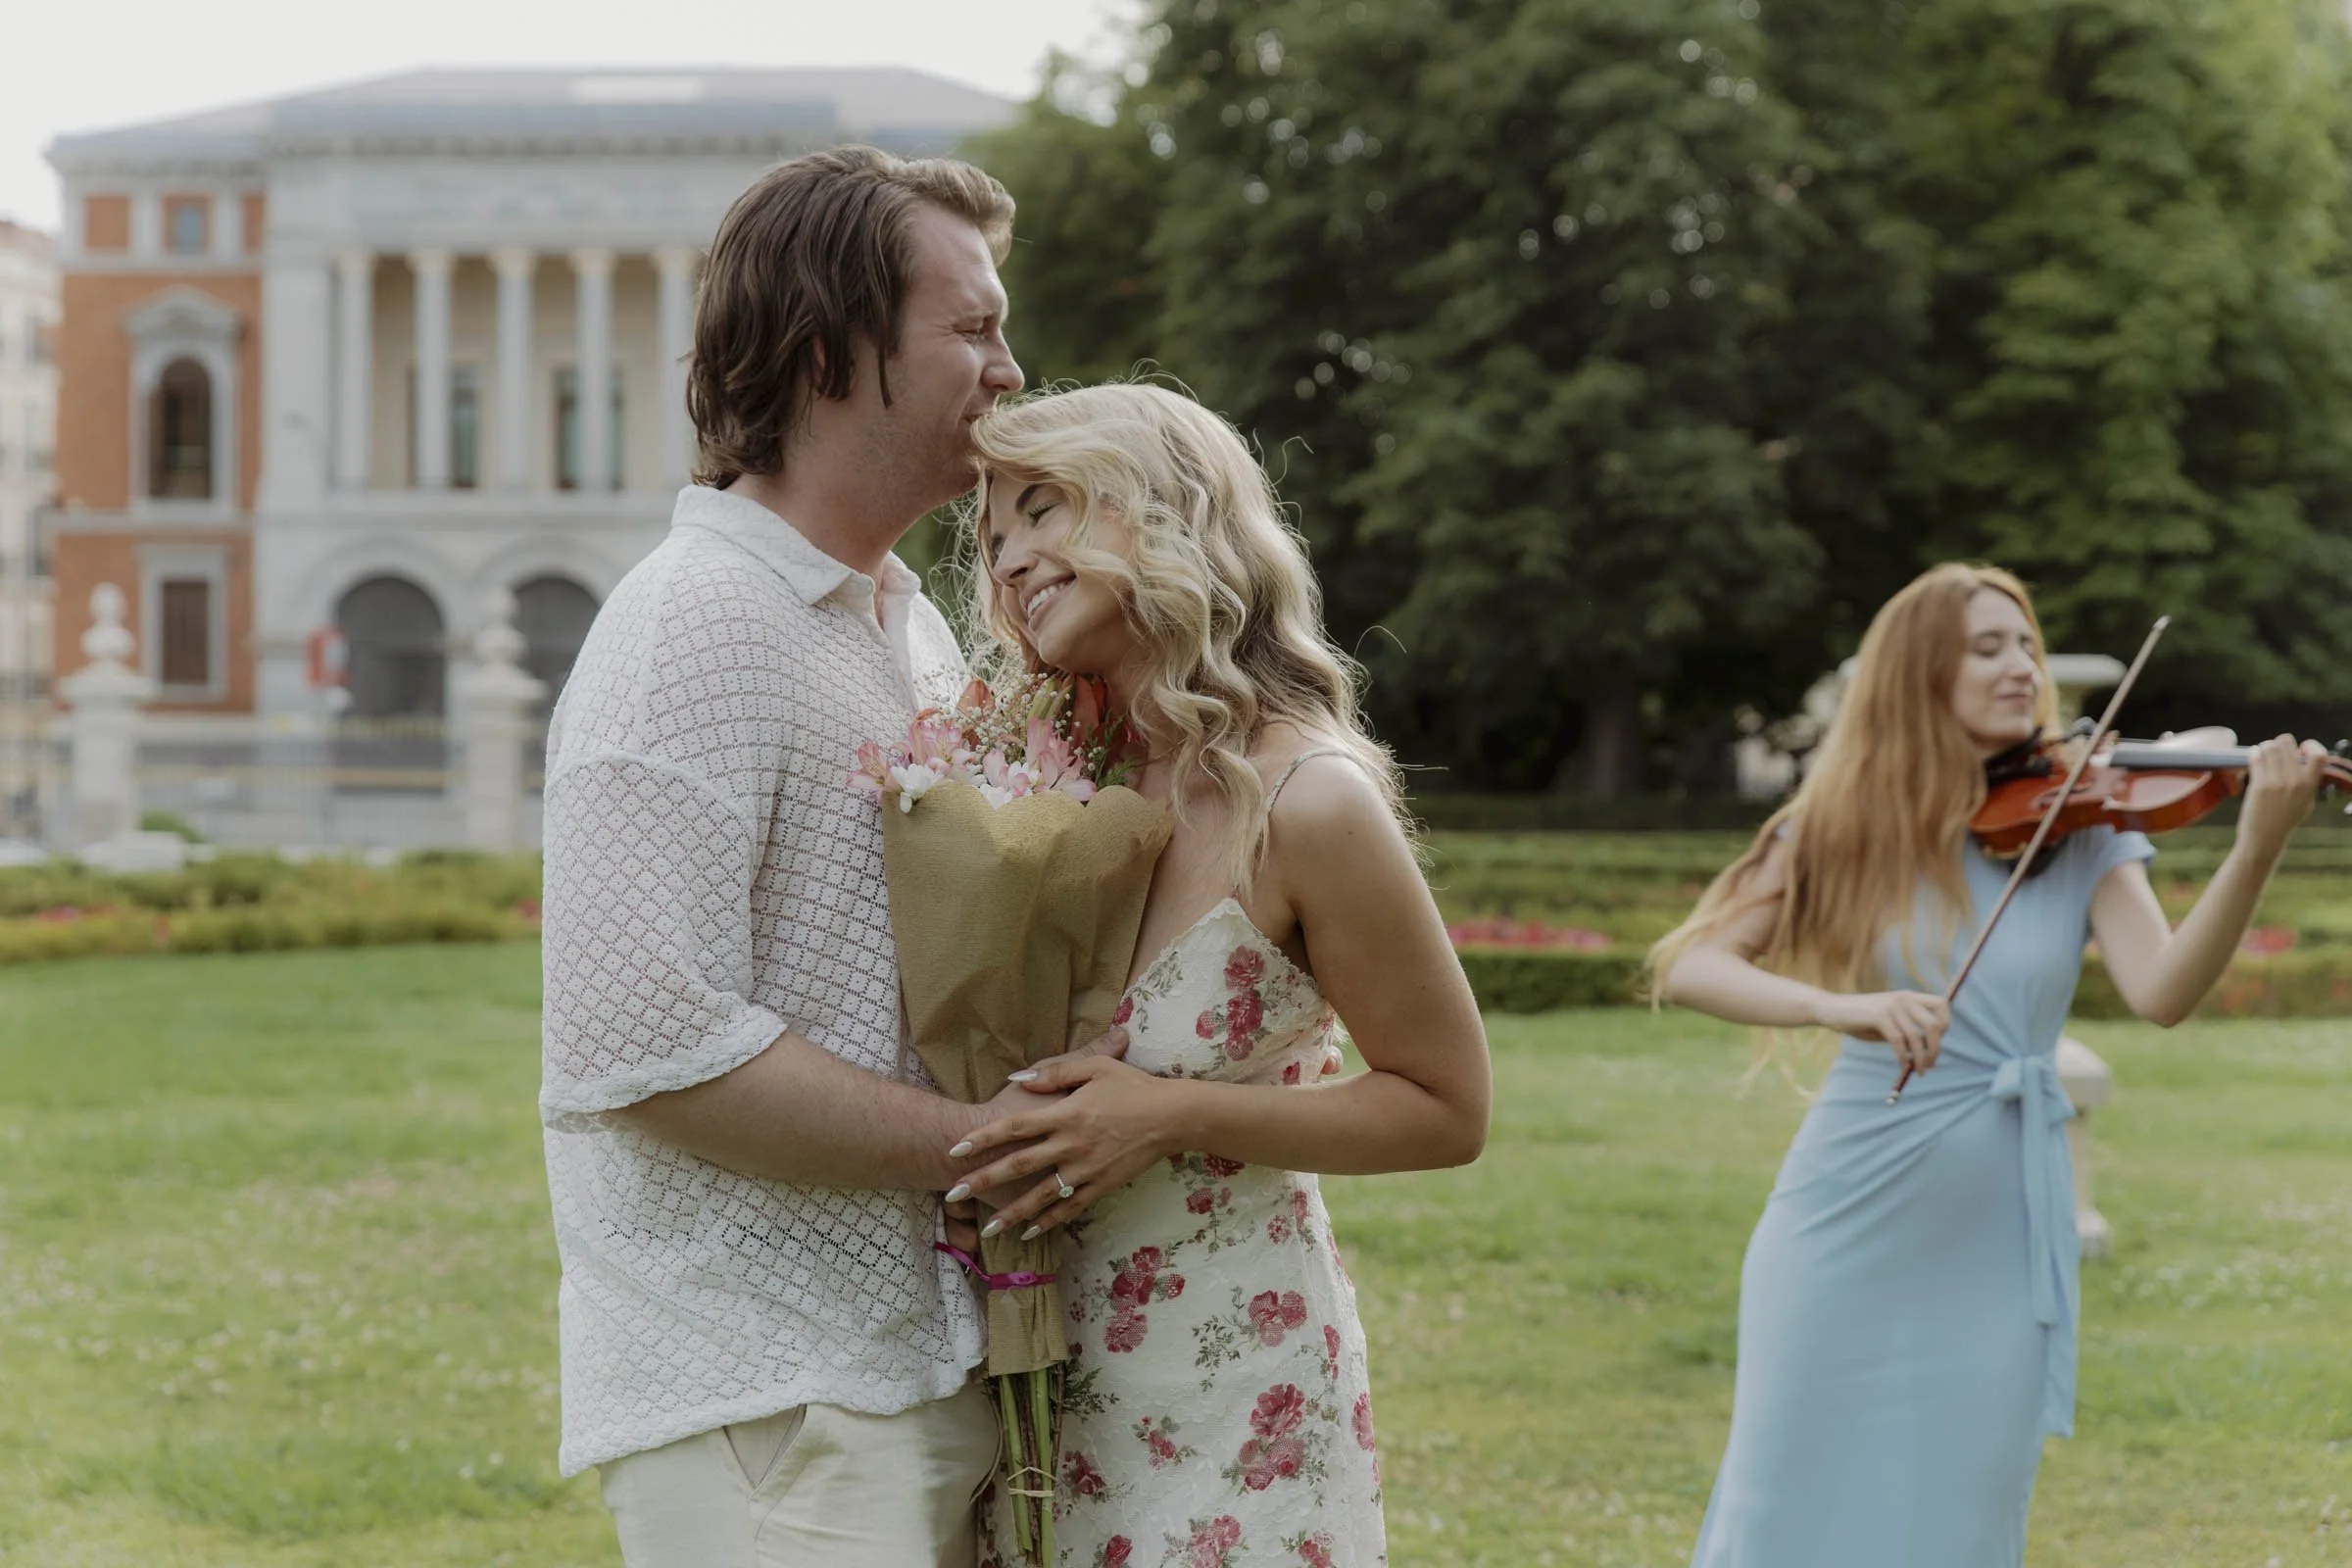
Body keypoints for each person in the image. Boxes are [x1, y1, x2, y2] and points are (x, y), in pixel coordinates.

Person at [537, 145, 1065, 1567]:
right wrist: (1010, 1149)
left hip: (915, 1367)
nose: (1010, 371)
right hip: (767, 1411)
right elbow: (644, 1047)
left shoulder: (909, 624)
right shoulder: (691, 626)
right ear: (830, 354)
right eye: (971, 328)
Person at [1647, 563, 2335, 1567]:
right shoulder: (1840, 824)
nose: (2022, 666)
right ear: (1920, 675)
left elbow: (2164, 992)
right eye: (1987, 647)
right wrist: (1843, 1006)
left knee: (1958, 1526)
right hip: (1841, 1229)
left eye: (2027, 645)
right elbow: (1693, 962)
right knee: (1782, 1517)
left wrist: (2257, 846)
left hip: (1999, 1245)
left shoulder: (2083, 831)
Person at [943, 382, 1494, 1566]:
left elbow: (1449, 1108)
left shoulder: (1311, 799)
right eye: (993, 540)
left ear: (1166, 507)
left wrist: (1169, 1113)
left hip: (1238, 1387)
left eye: (1044, 510)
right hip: (1037, 1382)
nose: (1013, 560)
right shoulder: (1047, 791)